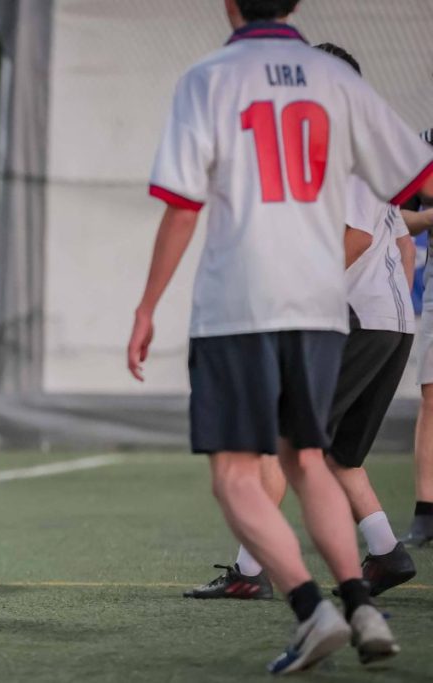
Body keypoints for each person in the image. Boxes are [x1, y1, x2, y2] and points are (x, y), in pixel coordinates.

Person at [126, 1, 433, 673]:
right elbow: (420, 182)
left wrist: (147, 306)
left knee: (236, 473)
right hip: (321, 309)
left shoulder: (210, 78)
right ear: (295, 4)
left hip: (242, 301)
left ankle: (310, 608)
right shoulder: (339, 82)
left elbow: (182, 208)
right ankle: (361, 603)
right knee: (309, 457)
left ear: (229, 4)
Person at [184, 44, 419, 603]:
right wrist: (394, 312)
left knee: (282, 441)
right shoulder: (370, 151)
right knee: (337, 453)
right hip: (388, 322)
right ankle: (386, 552)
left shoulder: (346, 147)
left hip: (361, 320)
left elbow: (356, 238)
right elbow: (402, 245)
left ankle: (250, 571)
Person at [401, 129, 433, 547]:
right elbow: (397, 216)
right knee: (431, 391)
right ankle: (427, 511)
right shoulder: (424, 145)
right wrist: (428, 218)